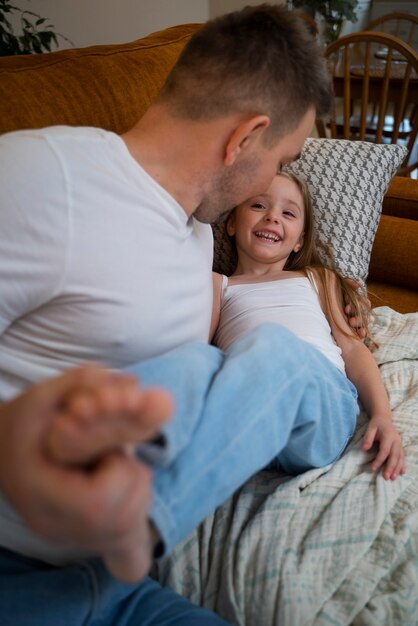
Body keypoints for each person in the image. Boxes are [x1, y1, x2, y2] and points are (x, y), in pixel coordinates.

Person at [0, 4, 350, 625]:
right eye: (280, 156)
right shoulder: (40, 180)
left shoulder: (194, 241)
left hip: (119, 583)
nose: (272, 179)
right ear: (244, 138)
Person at [211, 171, 405, 479]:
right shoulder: (218, 286)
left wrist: (382, 416)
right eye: (259, 206)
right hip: (255, 414)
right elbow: (200, 350)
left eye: (288, 213)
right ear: (232, 223)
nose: (273, 217)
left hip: (322, 404)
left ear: (300, 240)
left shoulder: (317, 278)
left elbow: (353, 349)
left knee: (271, 339)